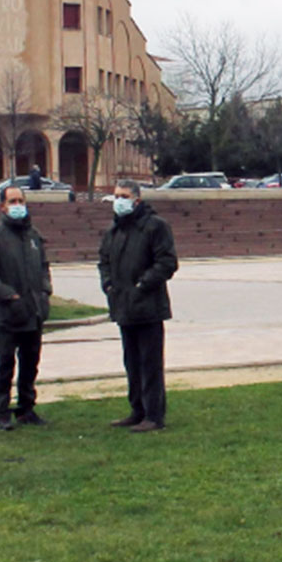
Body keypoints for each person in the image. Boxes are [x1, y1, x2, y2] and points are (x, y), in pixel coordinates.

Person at [98, 179, 178, 432]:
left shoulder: (155, 227)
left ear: (137, 200)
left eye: (124, 196)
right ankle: (137, 410)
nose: (119, 200)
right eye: (116, 196)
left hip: (148, 306)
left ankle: (154, 415)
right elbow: (104, 261)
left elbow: (167, 262)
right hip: (123, 307)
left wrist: (143, 285)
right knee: (131, 362)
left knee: (150, 363)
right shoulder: (114, 230)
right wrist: (108, 285)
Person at [0, 185, 53, 431]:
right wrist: (9, 295)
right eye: (13, 201)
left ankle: (26, 408)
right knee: (6, 363)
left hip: (33, 312)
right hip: (8, 314)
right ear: (3, 206)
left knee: (31, 363)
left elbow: (43, 266)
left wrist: (45, 291)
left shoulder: (33, 236)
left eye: (21, 200)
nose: (18, 205)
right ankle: (2, 411)